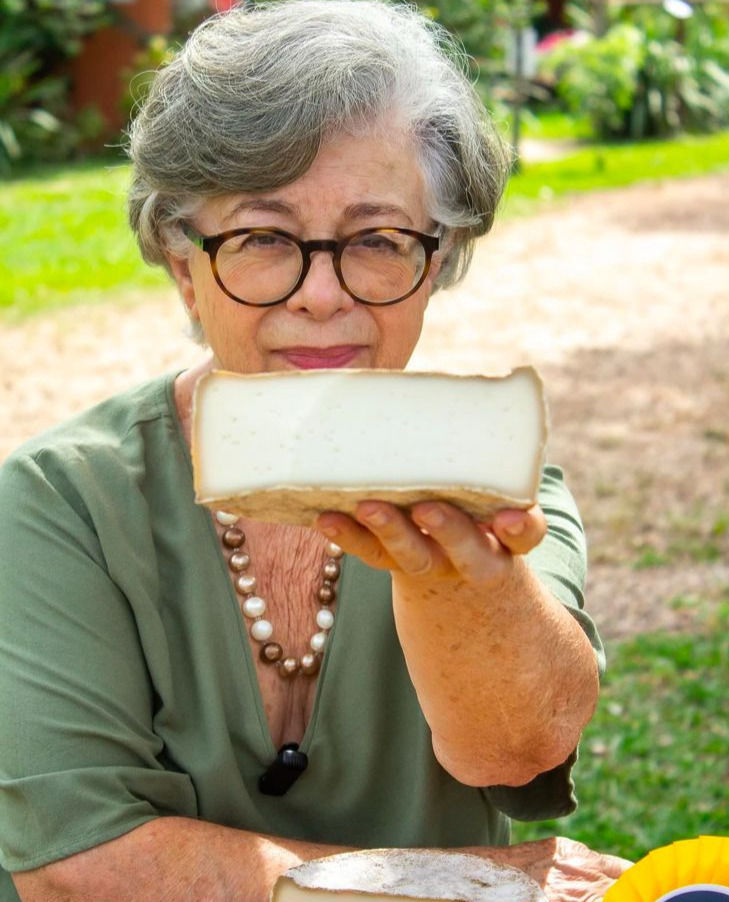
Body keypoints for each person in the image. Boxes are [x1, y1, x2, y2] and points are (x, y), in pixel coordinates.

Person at [0, 2, 630, 900]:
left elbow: (517, 749)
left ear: (437, 259)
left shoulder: (503, 488)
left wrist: (468, 579)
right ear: (185, 264)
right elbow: (82, 867)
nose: (324, 295)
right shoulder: (60, 502)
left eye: (377, 241)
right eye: (264, 240)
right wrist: (451, 880)